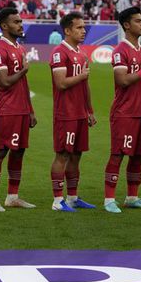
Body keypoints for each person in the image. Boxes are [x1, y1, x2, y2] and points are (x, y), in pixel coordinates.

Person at [104, 7, 141, 214]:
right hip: (123, 112)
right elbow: (122, 80)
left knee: (138, 155)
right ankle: (109, 199)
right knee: (118, 155)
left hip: (138, 112)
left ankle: (132, 197)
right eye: (138, 21)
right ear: (126, 25)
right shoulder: (120, 51)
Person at [0, 7, 37, 211]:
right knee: (0, 151)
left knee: (19, 151)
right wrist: (24, 69)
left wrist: (30, 110)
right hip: (7, 109)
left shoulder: (19, 48)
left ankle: (12, 197)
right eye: (16, 22)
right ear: (5, 26)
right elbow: (5, 81)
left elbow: (23, 84)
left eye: (21, 21)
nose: (20, 25)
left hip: (21, 109)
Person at [49, 11, 96, 212]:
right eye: (79, 27)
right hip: (66, 114)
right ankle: (57, 201)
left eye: (84, 27)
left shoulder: (81, 54)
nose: (83, 31)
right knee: (63, 155)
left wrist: (90, 110)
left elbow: (85, 86)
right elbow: (61, 84)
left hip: (79, 113)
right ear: (67, 30)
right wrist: (82, 75)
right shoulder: (59, 53)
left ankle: (72, 198)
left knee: (76, 155)